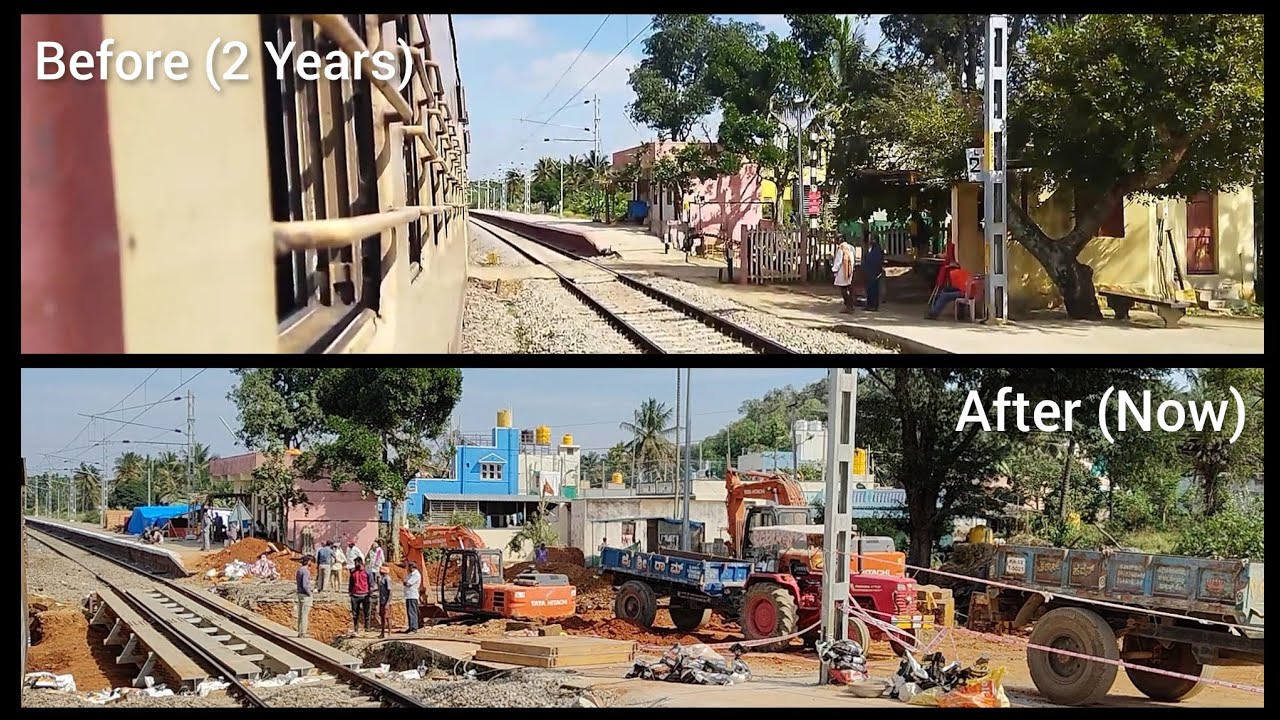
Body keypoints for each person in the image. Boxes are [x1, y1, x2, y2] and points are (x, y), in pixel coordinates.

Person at [831, 238, 857, 313]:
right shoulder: (851, 247)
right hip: (849, 270)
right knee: (849, 287)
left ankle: (848, 306)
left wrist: (834, 270)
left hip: (842, 271)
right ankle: (851, 305)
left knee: (843, 289)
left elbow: (838, 261)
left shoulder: (841, 249)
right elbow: (854, 258)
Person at [348, 558, 373, 634]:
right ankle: (356, 629)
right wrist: (350, 592)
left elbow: (371, 582)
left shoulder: (367, 572)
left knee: (367, 613)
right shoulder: (353, 572)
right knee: (355, 614)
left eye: (356, 563)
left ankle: (367, 628)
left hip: (365, 595)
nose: (355, 565)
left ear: (360, 563)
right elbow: (351, 583)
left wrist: (370, 591)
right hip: (355, 595)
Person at [863, 236, 885, 311]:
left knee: (874, 290)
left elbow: (878, 261)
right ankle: (869, 305)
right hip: (869, 272)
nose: (871, 241)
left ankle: (874, 306)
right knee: (869, 289)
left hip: (875, 273)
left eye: (873, 239)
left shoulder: (877, 250)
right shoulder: (871, 249)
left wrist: (878, 272)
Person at [295, 556, 314, 639]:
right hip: (305, 595)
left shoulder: (299, 570)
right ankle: (303, 632)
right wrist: (309, 593)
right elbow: (305, 584)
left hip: (299, 593)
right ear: (308, 562)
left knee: (300, 614)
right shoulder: (306, 571)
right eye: (310, 561)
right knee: (304, 614)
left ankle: (299, 631)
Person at [403, 561, 422, 633]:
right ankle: (411, 627)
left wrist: (405, 582)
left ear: (412, 567)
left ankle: (414, 628)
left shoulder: (416, 575)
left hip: (412, 595)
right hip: (408, 595)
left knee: (412, 612)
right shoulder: (410, 575)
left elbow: (408, 583)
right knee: (409, 612)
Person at [376, 565, 393, 638]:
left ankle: (389, 632)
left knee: (388, 617)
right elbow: (380, 589)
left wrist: (388, 602)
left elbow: (390, 592)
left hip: (386, 601)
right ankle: (382, 633)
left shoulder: (387, 579)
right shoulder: (382, 578)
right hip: (382, 601)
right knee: (382, 617)